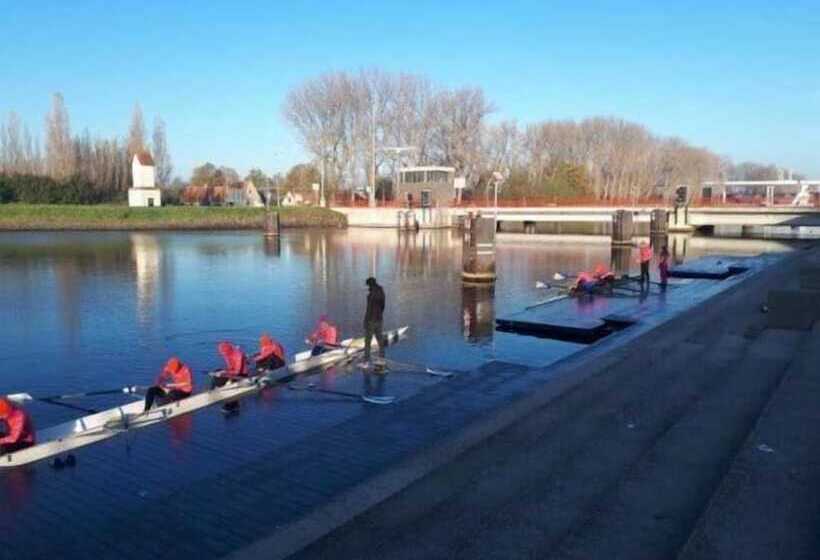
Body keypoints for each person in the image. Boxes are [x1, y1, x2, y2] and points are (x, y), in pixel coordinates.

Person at [363, 277, 386, 367]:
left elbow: (369, 309)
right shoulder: (381, 292)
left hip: (371, 320)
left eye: (367, 285)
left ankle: (366, 362)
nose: (367, 287)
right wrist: (379, 315)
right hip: (379, 319)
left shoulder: (371, 295)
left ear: (370, 284)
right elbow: (383, 306)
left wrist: (365, 321)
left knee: (367, 341)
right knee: (380, 339)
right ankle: (382, 359)